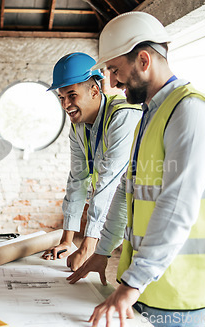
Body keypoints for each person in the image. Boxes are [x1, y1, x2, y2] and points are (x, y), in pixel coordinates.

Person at [67, 12, 205, 327]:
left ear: (144, 60)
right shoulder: (150, 115)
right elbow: (127, 191)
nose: (113, 83)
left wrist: (132, 283)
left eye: (116, 70)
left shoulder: (191, 113)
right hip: (152, 281)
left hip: (186, 287)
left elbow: (177, 205)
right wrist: (103, 251)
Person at [42, 52, 141, 271]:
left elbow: (108, 181)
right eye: (61, 97)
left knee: (133, 274)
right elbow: (77, 180)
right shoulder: (77, 127)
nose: (66, 104)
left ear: (94, 90)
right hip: (116, 207)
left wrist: (87, 248)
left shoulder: (123, 116)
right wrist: (67, 240)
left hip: (138, 208)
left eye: (72, 95)